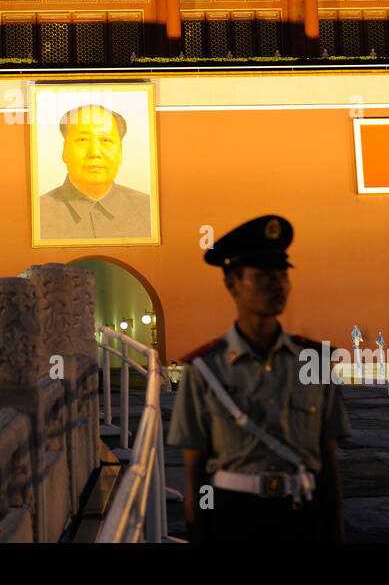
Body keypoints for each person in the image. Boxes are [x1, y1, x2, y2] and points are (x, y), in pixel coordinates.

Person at [166, 214, 351, 543]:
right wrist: (199, 529)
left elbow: (328, 461)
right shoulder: (204, 370)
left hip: (302, 515)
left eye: (281, 275)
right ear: (232, 284)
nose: (276, 285)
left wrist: (335, 531)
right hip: (232, 516)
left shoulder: (315, 361)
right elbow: (195, 471)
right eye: (262, 276)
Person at [37, 104, 151, 240]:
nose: (95, 152)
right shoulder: (38, 213)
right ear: (64, 151)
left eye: (106, 140)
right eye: (83, 140)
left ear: (120, 152)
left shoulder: (148, 209)